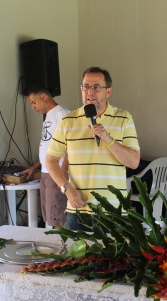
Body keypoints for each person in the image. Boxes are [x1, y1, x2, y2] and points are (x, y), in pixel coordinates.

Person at [45, 67, 140, 231]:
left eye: (96, 87)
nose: (89, 91)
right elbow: (51, 160)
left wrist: (108, 139)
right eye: (85, 86)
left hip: (114, 211)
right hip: (79, 210)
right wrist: (66, 188)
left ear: (108, 91)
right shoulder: (68, 121)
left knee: (114, 257)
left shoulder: (124, 118)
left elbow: (133, 162)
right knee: (78, 257)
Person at [20, 85, 70, 228]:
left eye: (33, 102)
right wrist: (35, 167)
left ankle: (62, 247)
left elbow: (70, 146)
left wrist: (63, 173)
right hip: (46, 173)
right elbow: (49, 149)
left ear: (43, 96)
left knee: (58, 216)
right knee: (50, 217)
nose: (33, 107)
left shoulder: (63, 114)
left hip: (57, 173)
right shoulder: (48, 116)